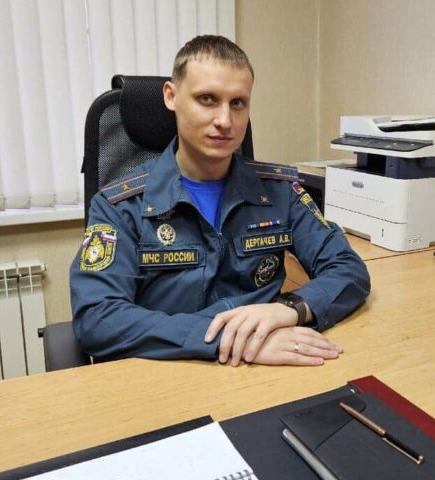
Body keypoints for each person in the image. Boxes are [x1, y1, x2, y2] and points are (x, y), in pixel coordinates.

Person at [70, 35, 370, 367]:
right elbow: (98, 317)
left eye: (237, 103)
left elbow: (348, 269)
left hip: (267, 370)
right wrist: (225, 338)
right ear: (171, 96)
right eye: (207, 99)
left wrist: (288, 309)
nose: (225, 120)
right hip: (170, 372)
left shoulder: (279, 191)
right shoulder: (119, 205)